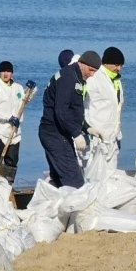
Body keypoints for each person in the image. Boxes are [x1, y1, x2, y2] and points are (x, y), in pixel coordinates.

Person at [38, 50, 101, 188]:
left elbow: (73, 111)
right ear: (81, 63)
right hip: (53, 133)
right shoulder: (68, 78)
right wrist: (76, 134)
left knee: (59, 178)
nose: (91, 74)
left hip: (59, 133)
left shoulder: (76, 77)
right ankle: (77, 208)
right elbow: (61, 111)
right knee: (74, 179)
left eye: (95, 72)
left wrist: (86, 127)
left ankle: (54, 205)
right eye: (90, 70)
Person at [83, 47, 125, 179]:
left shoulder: (116, 80)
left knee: (111, 177)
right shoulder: (94, 78)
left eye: (121, 65)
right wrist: (87, 128)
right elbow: (82, 104)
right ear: (106, 63)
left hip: (113, 138)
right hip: (96, 137)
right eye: (116, 65)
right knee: (93, 176)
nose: (119, 69)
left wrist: (117, 135)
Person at [0, 61, 26, 182]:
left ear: (12, 73)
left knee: (12, 162)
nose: (6, 74)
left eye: (8, 71)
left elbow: (24, 100)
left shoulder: (17, 88)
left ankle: (7, 187)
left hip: (14, 132)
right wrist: (8, 118)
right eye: (3, 71)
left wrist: (31, 91)